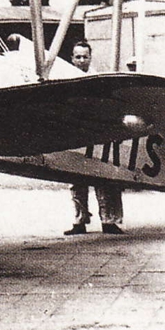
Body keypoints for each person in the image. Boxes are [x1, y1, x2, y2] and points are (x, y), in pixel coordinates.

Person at [64, 40, 125, 236]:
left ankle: (109, 221)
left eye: (85, 57)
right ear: (72, 59)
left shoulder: (97, 80)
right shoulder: (64, 79)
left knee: (104, 178)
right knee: (76, 181)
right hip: (74, 135)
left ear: (90, 58)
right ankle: (80, 220)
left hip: (96, 135)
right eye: (78, 57)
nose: (81, 60)